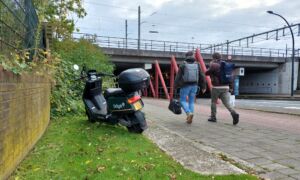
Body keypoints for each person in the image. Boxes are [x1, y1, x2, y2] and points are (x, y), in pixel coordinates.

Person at [205, 52, 239, 125]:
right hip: (226, 87)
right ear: (220, 57)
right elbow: (231, 76)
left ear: (213, 57)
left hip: (216, 87)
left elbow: (206, 73)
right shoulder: (226, 64)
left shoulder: (213, 64)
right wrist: (231, 87)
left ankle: (213, 117)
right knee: (227, 103)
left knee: (213, 102)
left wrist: (210, 66)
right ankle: (234, 113)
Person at [174, 51, 206, 124]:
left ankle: (189, 113)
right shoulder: (197, 64)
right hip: (194, 85)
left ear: (186, 56)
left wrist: (175, 86)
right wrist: (204, 86)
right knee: (191, 102)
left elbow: (178, 76)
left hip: (185, 85)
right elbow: (202, 75)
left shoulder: (183, 64)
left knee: (182, 100)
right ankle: (190, 116)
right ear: (193, 56)